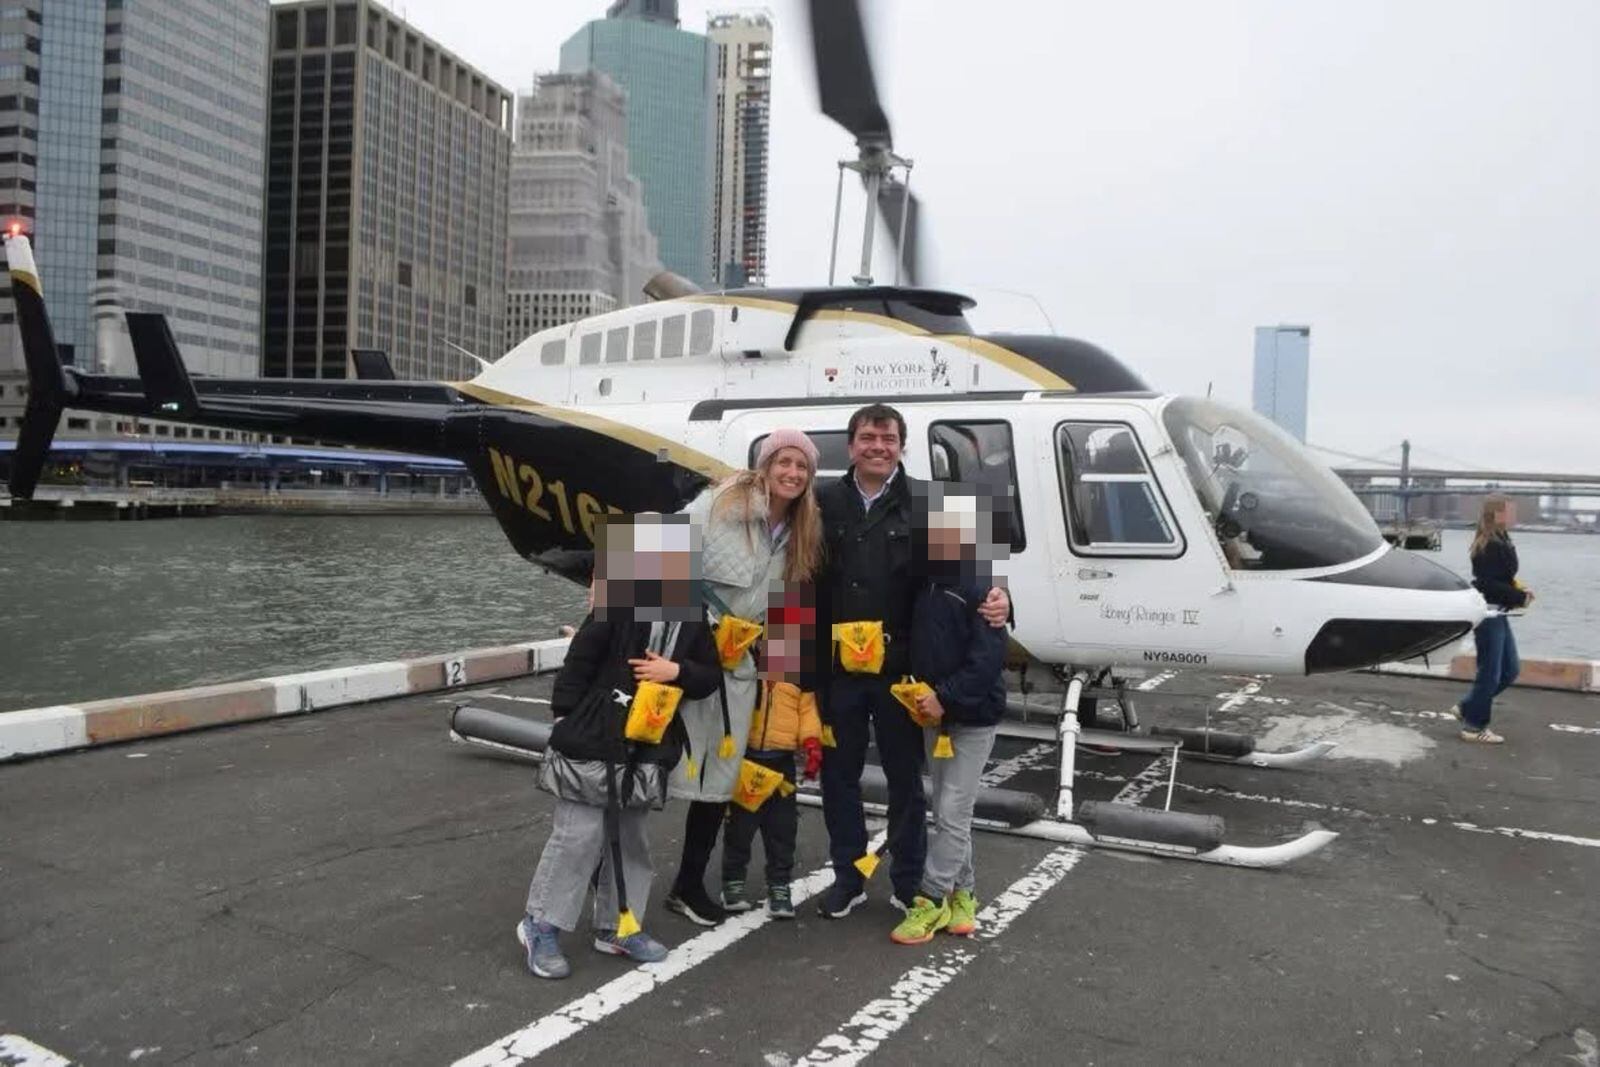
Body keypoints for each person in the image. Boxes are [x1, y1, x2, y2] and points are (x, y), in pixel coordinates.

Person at [816, 403, 1011, 920]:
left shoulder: (934, 500)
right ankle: (848, 877)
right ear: (851, 445)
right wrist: (792, 673)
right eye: (868, 437)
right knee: (839, 777)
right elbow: (794, 581)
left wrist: (1005, 601)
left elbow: (982, 576)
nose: (878, 447)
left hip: (903, 672)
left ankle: (908, 879)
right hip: (837, 670)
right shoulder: (820, 501)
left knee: (905, 781)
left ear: (902, 446)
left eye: (888, 438)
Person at [517, 514, 722, 980]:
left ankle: (618, 925)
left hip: (648, 740)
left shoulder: (692, 616)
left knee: (632, 836)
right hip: (596, 732)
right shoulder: (614, 604)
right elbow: (580, 662)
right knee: (578, 834)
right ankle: (541, 923)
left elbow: (709, 676)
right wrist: (565, 716)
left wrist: (677, 672)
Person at [663, 429, 824, 926]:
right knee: (650, 765)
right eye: (784, 462)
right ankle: (607, 877)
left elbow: (790, 613)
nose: (792, 473)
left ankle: (688, 884)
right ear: (765, 465)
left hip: (740, 669)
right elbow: (666, 539)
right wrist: (606, 582)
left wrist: (785, 696)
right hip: (689, 651)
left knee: (719, 780)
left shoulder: (803, 531)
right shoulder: (721, 502)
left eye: (802, 466)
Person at [889, 488, 1008, 944]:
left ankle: (931, 898)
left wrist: (945, 697)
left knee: (952, 811)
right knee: (947, 809)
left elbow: (987, 662)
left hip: (971, 718)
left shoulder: (981, 587)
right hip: (933, 715)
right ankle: (966, 893)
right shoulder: (925, 582)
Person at [719, 588, 824, 919]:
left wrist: (812, 743)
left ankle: (779, 885)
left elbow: (807, 712)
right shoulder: (747, 672)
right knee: (740, 828)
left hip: (782, 766)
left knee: (782, 831)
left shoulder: (799, 679)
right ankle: (732, 881)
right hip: (747, 760)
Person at [1454, 494, 1532, 744]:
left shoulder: (1502, 539)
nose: (1514, 515)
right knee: (1490, 673)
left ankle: (1468, 707)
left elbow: (1500, 579)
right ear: (1497, 514)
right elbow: (1486, 584)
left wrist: (1518, 592)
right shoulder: (1490, 544)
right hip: (1488, 612)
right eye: (1510, 511)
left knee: (1510, 670)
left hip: (1499, 611)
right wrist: (1519, 597)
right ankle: (1474, 727)